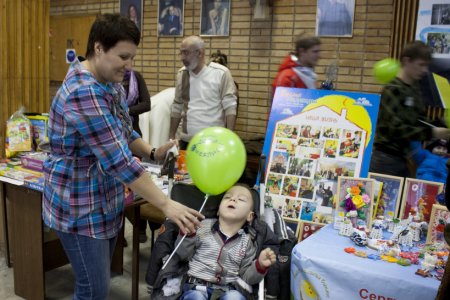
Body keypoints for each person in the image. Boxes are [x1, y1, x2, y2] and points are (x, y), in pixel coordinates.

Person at [42, 14, 203, 300]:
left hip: (105, 200)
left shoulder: (110, 82)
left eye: (132, 57)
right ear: (99, 48)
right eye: (123, 57)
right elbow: (118, 161)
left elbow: (124, 132)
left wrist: (152, 152)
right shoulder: (83, 92)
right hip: (79, 205)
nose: (129, 66)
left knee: (98, 284)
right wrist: (166, 204)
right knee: (93, 290)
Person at [177, 185, 277, 299]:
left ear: (250, 216)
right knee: (196, 297)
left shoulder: (247, 242)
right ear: (218, 210)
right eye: (227, 197)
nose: (233, 199)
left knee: (236, 297)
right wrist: (188, 236)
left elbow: (247, 277)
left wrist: (260, 266)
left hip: (227, 290)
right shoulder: (201, 227)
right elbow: (182, 256)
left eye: (241, 199)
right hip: (195, 286)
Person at [370, 41, 450, 177]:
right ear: (407, 61)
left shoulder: (414, 89)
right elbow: (394, 129)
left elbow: (419, 121)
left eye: (426, 65)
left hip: (403, 159)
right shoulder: (392, 89)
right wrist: (433, 132)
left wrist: (441, 123)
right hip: (384, 160)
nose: (425, 70)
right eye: (421, 65)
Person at [169, 36, 238, 150]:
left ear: (200, 53)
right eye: (180, 53)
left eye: (186, 53)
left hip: (213, 141)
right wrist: (171, 137)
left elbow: (230, 107)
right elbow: (177, 106)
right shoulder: (182, 74)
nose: (182, 57)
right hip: (187, 141)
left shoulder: (221, 73)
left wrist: (229, 138)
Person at [271, 34, 321, 101]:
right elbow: (278, 108)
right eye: (315, 52)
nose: (319, 56)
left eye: (319, 52)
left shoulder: (309, 75)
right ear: (302, 51)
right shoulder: (287, 77)